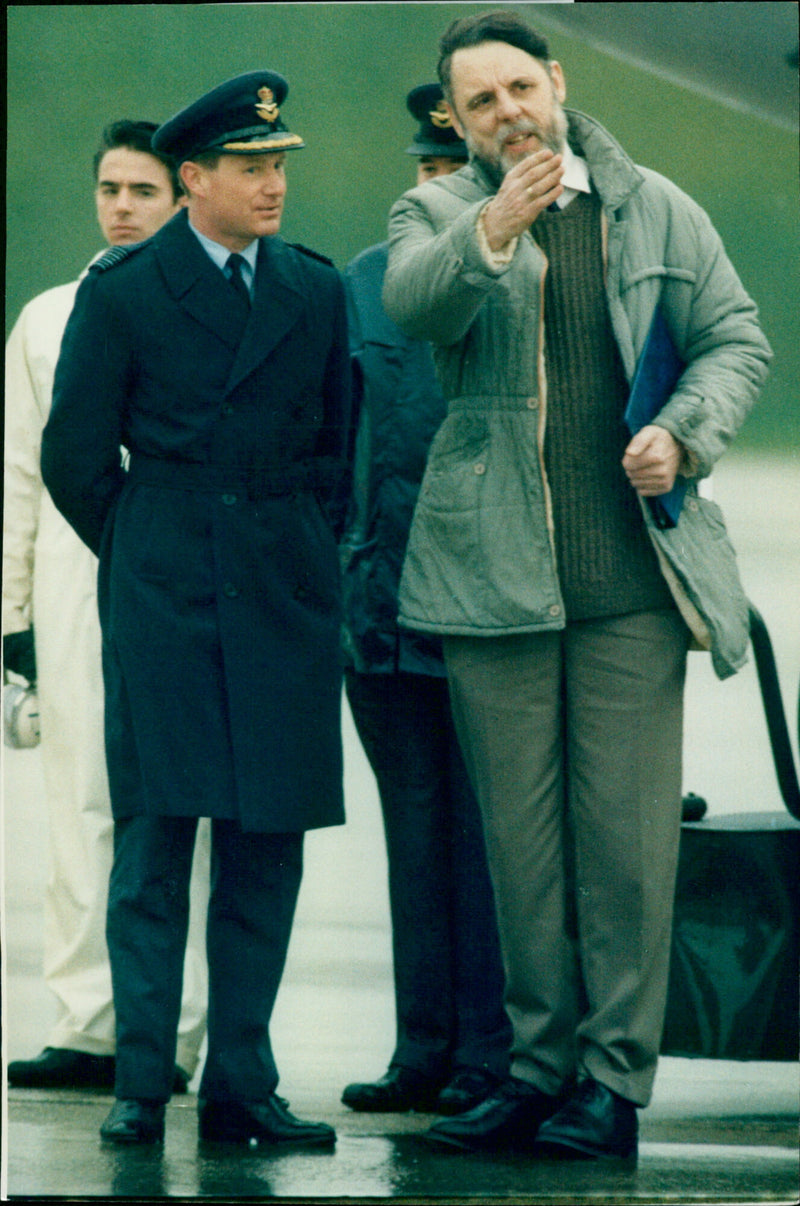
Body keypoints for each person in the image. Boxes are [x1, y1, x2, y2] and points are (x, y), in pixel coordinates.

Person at [383, 11, 771, 1160]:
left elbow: (734, 339)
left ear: (553, 81)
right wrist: (494, 228)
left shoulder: (655, 207)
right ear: (457, 121)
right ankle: (534, 1072)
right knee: (521, 848)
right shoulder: (434, 214)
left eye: (518, 87)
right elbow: (414, 306)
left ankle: (609, 1083)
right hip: (490, 575)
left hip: (631, 583)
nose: (505, 112)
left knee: (625, 847)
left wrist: (682, 432)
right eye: (480, 102)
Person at [40, 71, 352, 1147]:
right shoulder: (126, 293)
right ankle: (139, 1081)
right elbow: (74, 458)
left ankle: (242, 1085)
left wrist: (302, 551)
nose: (273, 185)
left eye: (278, 166)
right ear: (194, 179)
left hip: (281, 591)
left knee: (267, 845)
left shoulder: (313, 289)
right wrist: (147, 549)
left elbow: (338, 448)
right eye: (251, 167)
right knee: (155, 840)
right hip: (166, 590)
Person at [3, 120, 208, 1093]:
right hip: (72, 582)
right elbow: (17, 474)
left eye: (143, 191)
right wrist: (14, 621)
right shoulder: (47, 318)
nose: (122, 207)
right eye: (109, 189)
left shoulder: (208, 303)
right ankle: (89, 1023)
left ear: (182, 197)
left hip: (175, 584)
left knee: (174, 807)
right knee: (80, 800)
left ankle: (171, 1030)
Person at [339, 84, 511, 1118]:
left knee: (489, 843)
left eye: (455, 173)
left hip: (487, 609)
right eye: (427, 171)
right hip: (381, 611)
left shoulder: (519, 274)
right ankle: (422, 1049)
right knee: (413, 838)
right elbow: (330, 445)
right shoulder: (362, 284)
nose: (437, 187)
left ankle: (491, 1054)